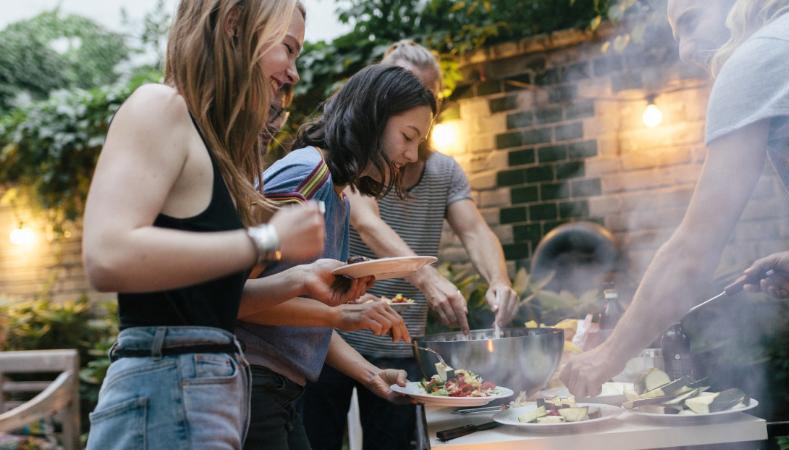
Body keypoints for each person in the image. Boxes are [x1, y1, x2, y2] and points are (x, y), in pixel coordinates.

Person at [80, 1, 358, 448]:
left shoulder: (210, 148)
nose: (293, 73)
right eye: (287, 49)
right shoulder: (159, 106)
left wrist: (301, 278)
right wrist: (267, 240)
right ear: (233, 25)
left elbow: (204, 305)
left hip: (206, 392)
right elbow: (106, 255)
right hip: (165, 389)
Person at [561, 0, 789, 398]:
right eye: (675, 35)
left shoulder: (759, 57)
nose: (684, 50)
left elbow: (695, 248)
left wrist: (607, 356)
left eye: (690, 22)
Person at [302, 40, 520, 450]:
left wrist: (499, 280)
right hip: (333, 338)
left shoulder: (443, 171)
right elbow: (366, 219)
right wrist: (425, 276)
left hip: (399, 345)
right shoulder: (361, 164)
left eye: (428, 95)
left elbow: (474, 230)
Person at [235, 63, 437, 450]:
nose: (412, 155)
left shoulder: (338, 194)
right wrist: (343, 315)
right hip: (253, 384)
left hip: (282, 391)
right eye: (407, 137)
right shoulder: (305, 173)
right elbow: (235, 297)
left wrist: (370, 373)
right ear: (371, 119)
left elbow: (295, 313)